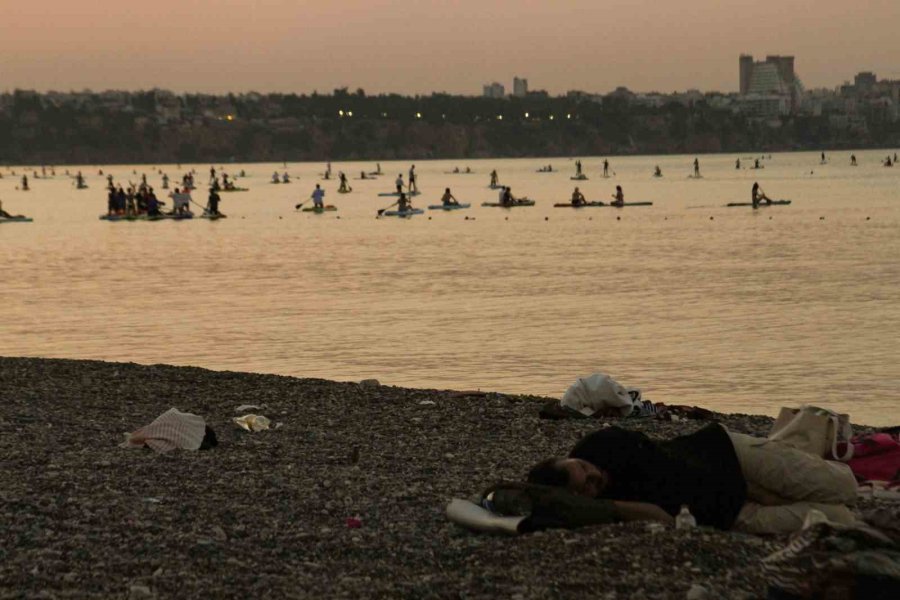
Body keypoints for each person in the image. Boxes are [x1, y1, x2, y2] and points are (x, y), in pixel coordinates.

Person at [526, 423, 857, 534]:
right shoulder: (603, 511)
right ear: (576, 497)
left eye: (583, 466)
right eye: (584, 484)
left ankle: (800, 442)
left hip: (731, 457)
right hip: (732, 515)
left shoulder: (604, 445)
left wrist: (761, 491)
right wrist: (608, 506)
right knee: (843, 517)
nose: (593, 475)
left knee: (846, 486)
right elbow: (663, 519)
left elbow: (687, 470)